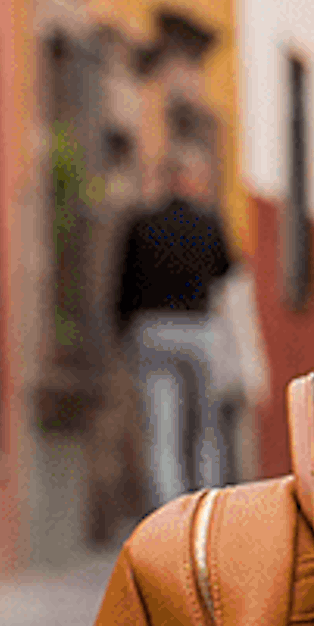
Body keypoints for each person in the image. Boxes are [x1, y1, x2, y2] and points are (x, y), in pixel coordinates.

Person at [111, 147, 235, 512]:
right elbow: (226, 271)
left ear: (165, 180)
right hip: (199, 330)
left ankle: (167, 519)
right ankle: (208, 512)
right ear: (193, 180)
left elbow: (123, 283)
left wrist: (123, 332)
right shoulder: (209, 222)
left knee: (161, 431)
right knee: (205, 430)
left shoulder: (142, 223)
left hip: (152, 331)